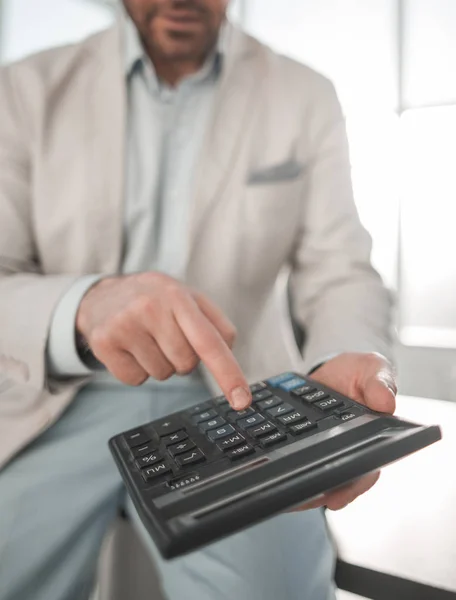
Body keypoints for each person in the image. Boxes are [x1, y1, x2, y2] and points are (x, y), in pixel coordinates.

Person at [0, 1, 397, 599]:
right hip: (51, 401)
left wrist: (339, 378)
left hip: (243, 401)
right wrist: (83, 306)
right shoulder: (23, 90)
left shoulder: (303, 94)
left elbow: (339, 269)